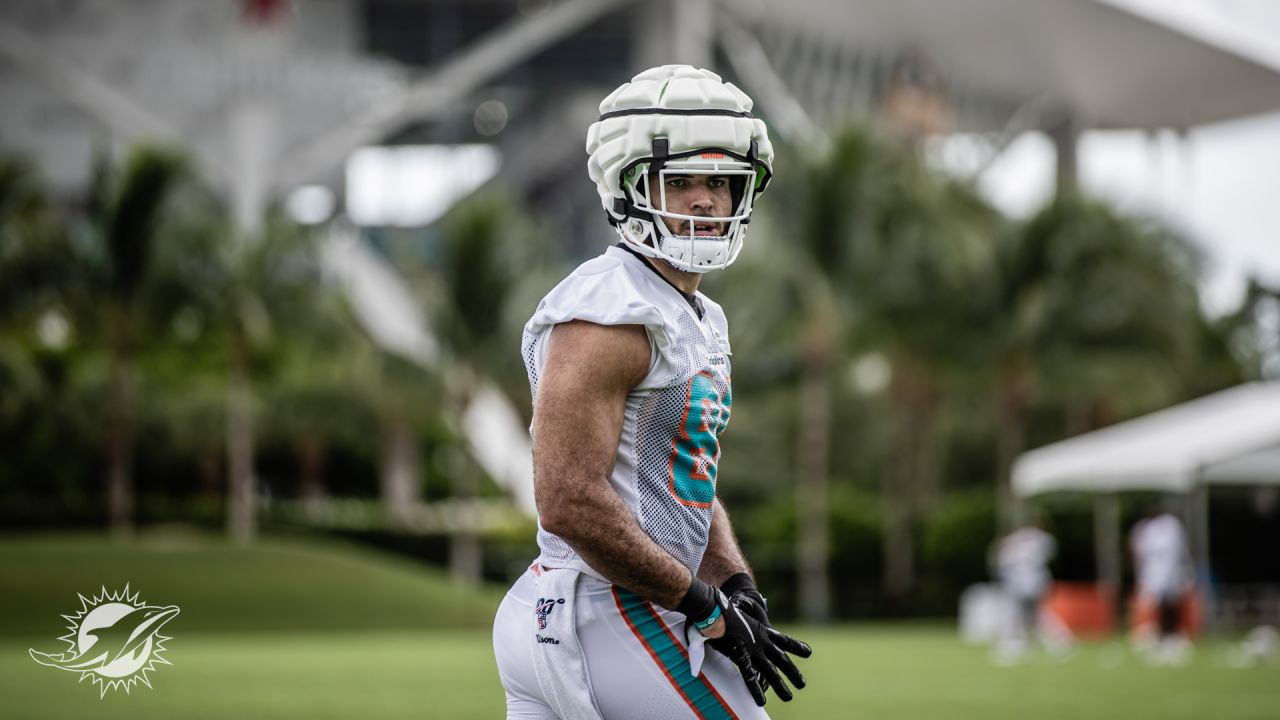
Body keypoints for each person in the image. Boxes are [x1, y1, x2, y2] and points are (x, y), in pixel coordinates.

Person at [491, 65, 812, 719]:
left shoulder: (696, 314)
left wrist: (734, 582)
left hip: (586, 609)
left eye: (720, 181)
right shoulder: (612, 307)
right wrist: (699, 604)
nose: (704, 200)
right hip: (609, 609)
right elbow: (568, 502)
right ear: (629, 185)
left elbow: (683, 480)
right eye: (683, 179)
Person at [1130, 502, 1194, 664]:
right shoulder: (1145, 528)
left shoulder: (1171, 526)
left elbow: (1179, 550)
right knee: (1157, 604)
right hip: (1155, 572)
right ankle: (1161, 634)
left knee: (1169, 604)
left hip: (1170, 571)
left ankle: (1170, 634)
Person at [990, 519, 1060, 662]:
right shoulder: (1026, 541)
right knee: (1026, 615)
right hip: (1023, 584)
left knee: (1034, 614)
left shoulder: (1031, 540)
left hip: (1028, 584)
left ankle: (1050, 640)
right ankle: (1023, 641)